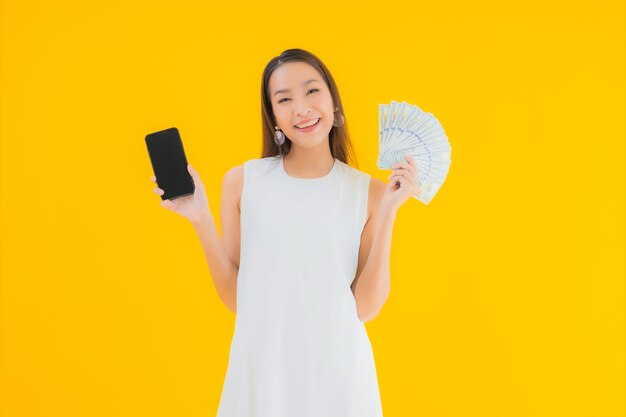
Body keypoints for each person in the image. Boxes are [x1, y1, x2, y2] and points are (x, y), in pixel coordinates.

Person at [149, 48, 421, 417]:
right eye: (284, 99)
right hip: (262, 375)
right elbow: (237, 298)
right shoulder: (243, 181)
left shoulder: (369, 192)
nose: (302, 108)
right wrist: (200, 218)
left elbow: (366, 307)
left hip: (339, 379)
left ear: (333, 102)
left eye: (312, 91)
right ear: (274, 116)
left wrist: (389, 211)